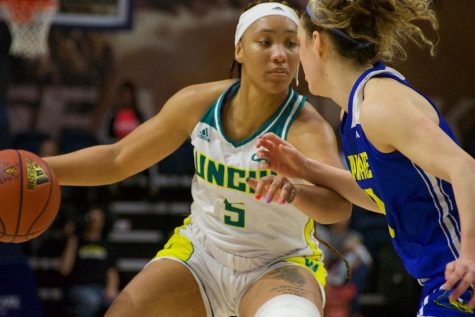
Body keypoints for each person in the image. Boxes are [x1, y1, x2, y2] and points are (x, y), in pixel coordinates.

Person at [43, 1, 351, 316]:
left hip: (280, 262)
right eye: (265, 41)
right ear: (239, 50)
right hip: (202, 254)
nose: (280, 54)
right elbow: (117, 158)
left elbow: (339, 206)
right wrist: (39, 169)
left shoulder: (308, 128)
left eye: (291, 44)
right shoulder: (197, 104)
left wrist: (296, 192)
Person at [253, 0, 475, 316]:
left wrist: (470, 256)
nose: (296, 59)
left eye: (298, 44)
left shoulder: (380, 106)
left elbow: (465, 168)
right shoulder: (354, 110)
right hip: (442, 277)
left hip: (459, 276)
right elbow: (382, 198)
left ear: (317, 43)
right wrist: (306, 168)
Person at [59, 206, 119, 317]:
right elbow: (64, 269)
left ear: (103, 222)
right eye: (91, 218)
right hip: (79, 288)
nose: (94, 222)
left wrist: (112, 288)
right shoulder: (76, 242)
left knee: (120, 303)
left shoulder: (106, 245)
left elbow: (111, 271)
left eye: (97, 219)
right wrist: (71, 238)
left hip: (101, 289)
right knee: (91, 300)